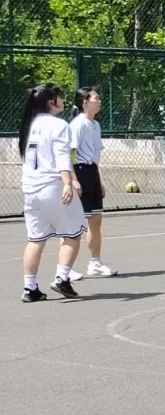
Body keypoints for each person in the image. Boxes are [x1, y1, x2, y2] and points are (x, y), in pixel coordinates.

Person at [18, 83, 86, 302]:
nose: (63, 100)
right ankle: (62, 278)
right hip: (52, 185)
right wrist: (68, 182)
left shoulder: (29, 124)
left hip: (30, 188)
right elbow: (62, 156)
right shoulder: (58, 125)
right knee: (72, 233)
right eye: (60, 96)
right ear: (51, 101)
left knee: (36, 239)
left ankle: (30, 288)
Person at [67, 86, 116, 280]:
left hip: (92, 172)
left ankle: (95, 263)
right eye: (96, 98)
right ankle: (65, 268)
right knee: (73, 223)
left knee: (96, 220)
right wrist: (73, 179)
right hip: (79, 171)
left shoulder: (95, 125)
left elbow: (95, 156)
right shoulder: (77, 124)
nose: (99, 101)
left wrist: (99, 179)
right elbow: (69, 153)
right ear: (85, 102)